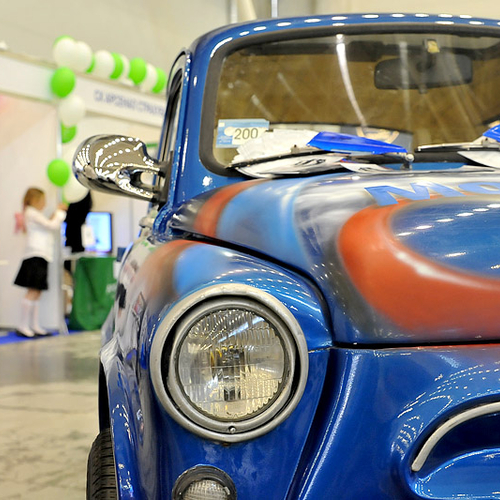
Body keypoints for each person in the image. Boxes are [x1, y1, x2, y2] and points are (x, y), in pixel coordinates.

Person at [13, 187, 67, 337]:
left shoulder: (34, 214)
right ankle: (23, 326)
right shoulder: (31, 212)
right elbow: (52, 225)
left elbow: (47, 223)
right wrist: (60, 213)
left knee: (37, 291)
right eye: (42, 201)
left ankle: (34, 325)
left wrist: (56, 213)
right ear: (35, 200)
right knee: (32, 291)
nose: (44, 204)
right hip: (35, 255)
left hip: (42, 255)